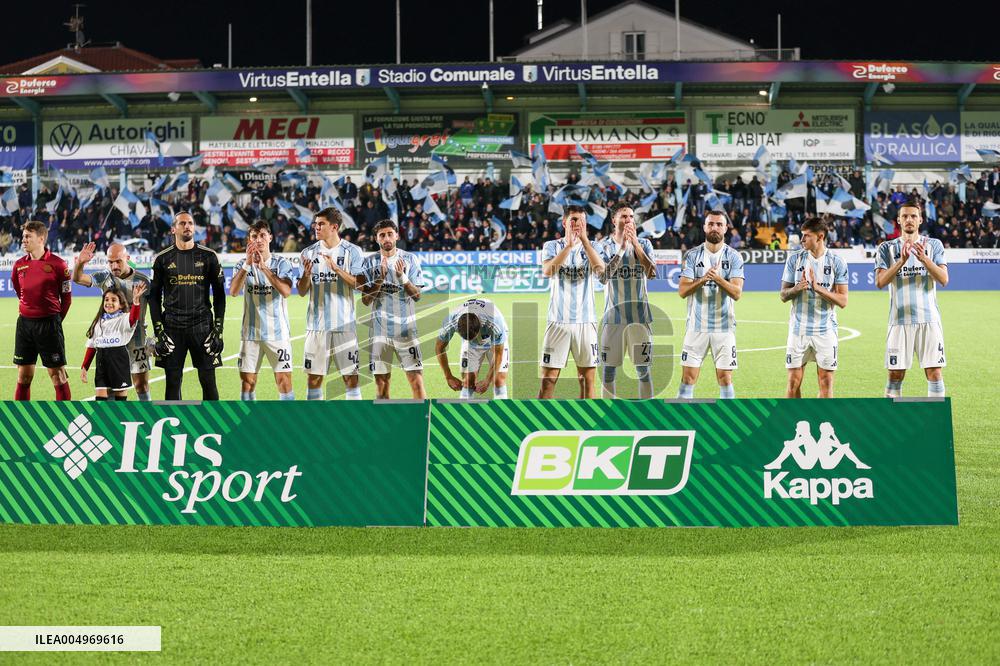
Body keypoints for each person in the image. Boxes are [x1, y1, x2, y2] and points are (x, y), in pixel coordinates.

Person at [148, 212, 226, 401]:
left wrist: (218, 330)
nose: (187, 226)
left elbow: (220, 296)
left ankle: (214, 419)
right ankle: (175, 420)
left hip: (202, 327)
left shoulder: (209, 256)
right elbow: (153, 298)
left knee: (208, 380)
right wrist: (159, 332)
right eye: (182, 223)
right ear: (173, 229)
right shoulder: (162, 259)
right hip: (172, 328)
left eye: (190, 223)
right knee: (173, 381)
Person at [875, 199, 949, 398]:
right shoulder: (886, 248)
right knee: (895, 374)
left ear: (920, 220)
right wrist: (901, 261)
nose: (909, 219)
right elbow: (880, 282)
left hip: (929, 320)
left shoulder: (934, 245)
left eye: (913, 216)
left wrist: (924, 259)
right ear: (898, 220)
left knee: (934, 373)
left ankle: (935, 416)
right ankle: (891, 416)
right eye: (905, 216)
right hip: (899, 321)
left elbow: (944, 279)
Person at [538, 205, 606, 399]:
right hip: (557, 321)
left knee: (587, 381)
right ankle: (540, 418)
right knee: (548, 381)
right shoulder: (552, 246)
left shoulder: (595, 246)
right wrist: (568, 246)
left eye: (582, 220)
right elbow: (547, 271)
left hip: (586, 322)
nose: (578, 224)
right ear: (564, 223)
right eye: (574, 220)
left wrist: (584, 241)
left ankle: (587, 418)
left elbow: (601, 272)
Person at [676, 210, 745, 399]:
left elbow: (737, 293)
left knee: (725, 379)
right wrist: (703, 279)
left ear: (726, 228)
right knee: (687, 378)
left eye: (719, 224)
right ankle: (681, 414)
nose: (715, 227)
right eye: (711, 224)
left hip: (724, 328)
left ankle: (728, 416)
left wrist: (717, 278)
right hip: (696, 327)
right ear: (705, 227)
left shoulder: (734, 257)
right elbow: (682, 291)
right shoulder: (692, 255)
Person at [73, 241, 153, 400]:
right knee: (110, 388)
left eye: (118, 261)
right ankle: (111, 415)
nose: (114, 266)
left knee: (141, 385)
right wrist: (80, 263)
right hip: (112, 341)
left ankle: (147, 413)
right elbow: (78, 278)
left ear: (127, 258)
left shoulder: (143, 280)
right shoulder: (104, 277)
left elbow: (156, 309)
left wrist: (157, 334)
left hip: (137, 340)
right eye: (110, 262)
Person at [299, 207, 365, 400]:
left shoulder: (353, 251)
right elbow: (301, 291)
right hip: (316, 327)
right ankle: (313, 418)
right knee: (314, 379)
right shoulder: (308, 253)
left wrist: (337, 269)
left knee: (351, 379)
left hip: (345, 325)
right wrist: (306, 275)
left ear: (334, 227)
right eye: (316, 224)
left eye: (321, 224)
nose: (316, 227)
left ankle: (354, 417)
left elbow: (360, 285)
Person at [779, 219, 849, 398]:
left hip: (825, 330)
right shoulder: (794, 259)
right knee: (793, 383)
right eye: (802, 235)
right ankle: (793, 416)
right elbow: (783, 295)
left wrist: (818, 289)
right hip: (798, 330)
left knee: (826, 382)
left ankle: (822, 416)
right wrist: (796, 288)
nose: (802, 239)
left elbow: (843, 301)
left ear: (820, 237)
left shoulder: (836, 261)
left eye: (806, 235)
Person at [357, 219, 426, 400]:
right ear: (376, 239)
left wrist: (402, 277)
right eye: (382, 235)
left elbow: (417, 295)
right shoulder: (369, 263)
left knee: (416, 381)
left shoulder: (410, 259)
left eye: (389, 234)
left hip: (406, 331)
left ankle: (420, 416)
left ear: (396, 236)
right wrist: (379, 280)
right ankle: (384, 417)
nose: (386, 238)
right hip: (380, 333)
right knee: (381, 385)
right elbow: (365, 300)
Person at [230, 221, 297, 401]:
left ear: (270, 237)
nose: (258, 240)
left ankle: (289, 416)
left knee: (284, 381)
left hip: (278, 333)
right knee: (247, 383)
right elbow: (234, 292)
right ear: (249, 240)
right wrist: (247, 264)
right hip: (250, 334)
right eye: (254, 236)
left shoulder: (282, 263)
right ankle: (249, 417)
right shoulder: (242, 265)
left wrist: (264, 268)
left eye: (262, 235)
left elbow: (286, 291)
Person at [597, 203, 657, 399]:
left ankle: (647, 411)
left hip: (640, 318)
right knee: (608, 371)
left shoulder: (645, 244)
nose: (629, 220)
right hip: (613, 317)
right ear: (614, 220)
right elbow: (603, 277)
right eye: (624, 216)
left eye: (631, 216)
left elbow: (652, 273)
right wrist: (622, 248)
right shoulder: (603, 246)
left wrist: (635, 245)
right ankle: (607, 412)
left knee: (643, 371)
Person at [12, 221, 73, 400]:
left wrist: (55, 321)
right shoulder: (18, 265)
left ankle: (65, 415)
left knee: (58, 375)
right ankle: (19, 415)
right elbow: (19, 291)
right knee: (23, 376)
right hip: (24, 325)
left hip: (49, 325)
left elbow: (67, 299)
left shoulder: (59, 264)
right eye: (23, 236)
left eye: (28, 236)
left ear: (41, 239)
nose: (23, 240)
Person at [435, 297, 509, 400]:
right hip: (472, 345)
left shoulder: (495, 323)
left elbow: (498, 354)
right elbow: (439, 348)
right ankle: (465, 408)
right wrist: (448, 376)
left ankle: (502, 407)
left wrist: (488, 380)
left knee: (498, 379)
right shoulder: (450, 322)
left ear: (480, 328)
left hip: (493, 339)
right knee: (468, 381)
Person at [80, 283, 144, 400]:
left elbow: (133, 318)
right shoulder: (98, 322)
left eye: (113, 300)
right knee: (100, 399)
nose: (109, 302)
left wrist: (136, 301)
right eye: (106, 299)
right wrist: (85, 367)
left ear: (121, 305)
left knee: (120, 403)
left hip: (118, 360)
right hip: (101, 362)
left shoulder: (124, 318)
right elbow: (92, 346)